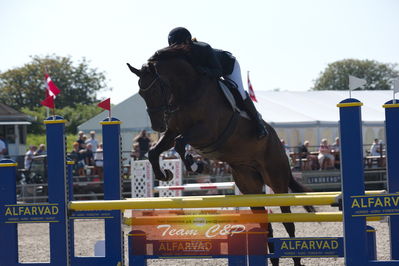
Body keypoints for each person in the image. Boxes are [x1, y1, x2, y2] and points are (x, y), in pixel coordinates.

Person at [167, 27, 268, 139]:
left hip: (227, 67)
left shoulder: (204, 48)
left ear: (187, 42)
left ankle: (259, 124)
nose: (177, 49)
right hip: (207, 73)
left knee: (239, 92)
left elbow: (218, 71)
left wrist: (202, 70)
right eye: (174, 46)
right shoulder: (178, 53)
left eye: (179, 45)